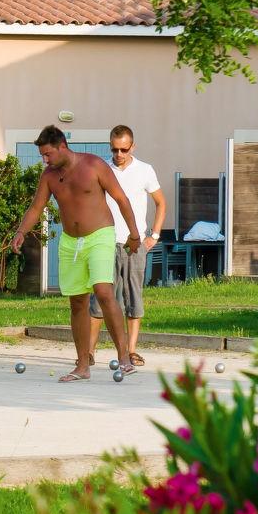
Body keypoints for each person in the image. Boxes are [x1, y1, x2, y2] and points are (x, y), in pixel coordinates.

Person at [8, 125, 141, 383]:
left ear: (62, 147)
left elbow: (121, 199)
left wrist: (134, 235)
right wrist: (21, 231)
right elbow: (37, 207)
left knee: (103, 291)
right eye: (42, 155)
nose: (45, 160)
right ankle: (82, 365)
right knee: (77, 301)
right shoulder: (48, 176)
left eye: (48, 154)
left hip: (100, 235)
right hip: (70, 242)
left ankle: (124, 356)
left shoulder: (93, 165)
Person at [107, 124, 167, 370]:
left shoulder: (145, 170)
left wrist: (153, 235)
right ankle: (91, 352)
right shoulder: (104, 169)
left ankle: (131, 350)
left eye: (123, 149)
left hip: (135, 244)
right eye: (114, 149)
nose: (119, 154)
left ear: (133, 146)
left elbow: (161, 203)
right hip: (107, 244)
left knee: (134, 299)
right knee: (105, 300)